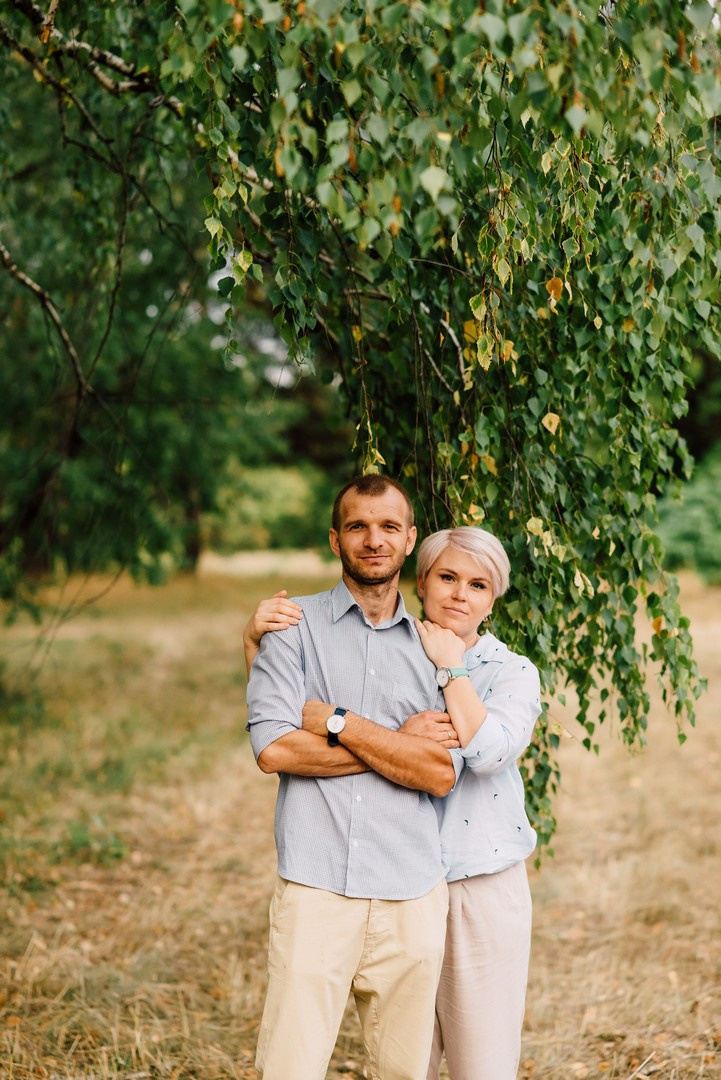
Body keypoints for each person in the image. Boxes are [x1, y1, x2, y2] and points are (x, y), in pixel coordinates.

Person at [246, 523, 542, 1080]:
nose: (459, 594)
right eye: (448, 578)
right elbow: (281, 734)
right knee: (409, 1063)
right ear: (421, 581)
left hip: (478, 882)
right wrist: (251, 644)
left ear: (493, 598)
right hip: (402, 881)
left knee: (483, 1062)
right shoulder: (389, 645)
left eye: (478, 585)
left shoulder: (509, 671)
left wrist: (449, 670)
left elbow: (486, 754)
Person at [244, 475, 465, 1080]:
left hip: (411, 894)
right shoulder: (293, 628)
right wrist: (398, 746)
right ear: (336, 537)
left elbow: (439, 773)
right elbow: (276, 749)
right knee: (290, 1068)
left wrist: (338, 723)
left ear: (410, 538)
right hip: (315, 891)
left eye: (389, 526)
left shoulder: (438, 648)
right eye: (359, 526)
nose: (374, 539)